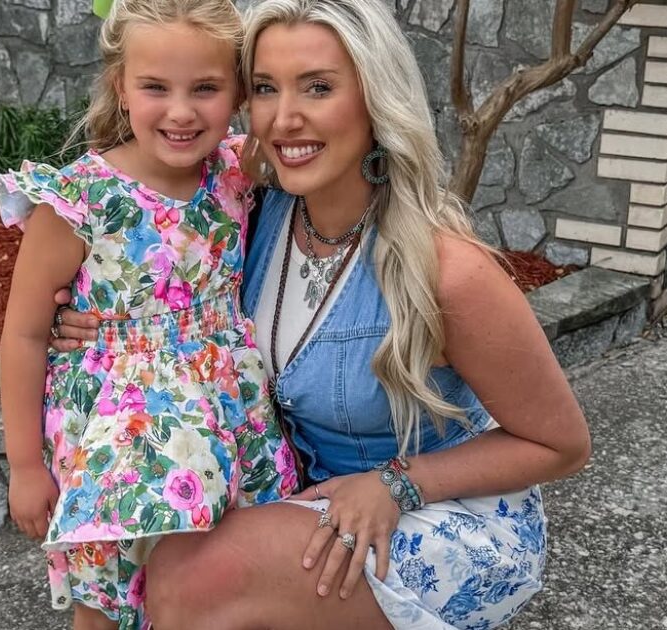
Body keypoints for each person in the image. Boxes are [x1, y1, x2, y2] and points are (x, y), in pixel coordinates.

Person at [51, 0, 592, 627]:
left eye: (318, 87)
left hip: (448, 509)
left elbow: (561, 445)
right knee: (156, 549)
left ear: (374, 97)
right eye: (265, 88)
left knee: (196, 575)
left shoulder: (447, 271)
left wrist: (398, 483)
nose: (285, 119)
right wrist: (88, 314)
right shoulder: (253, 213)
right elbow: (154, 256)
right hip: (305, 493)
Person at [0, 1, 298, 628]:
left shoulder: (238, 173)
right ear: (121, 87)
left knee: (222, 581)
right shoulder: (81, 199)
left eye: (205, 89)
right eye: (155, 87)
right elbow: (23, 333)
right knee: (109, 592)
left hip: (229, 412)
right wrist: (24, 466)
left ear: (239, 93)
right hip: (115, 426)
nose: (181, 111)